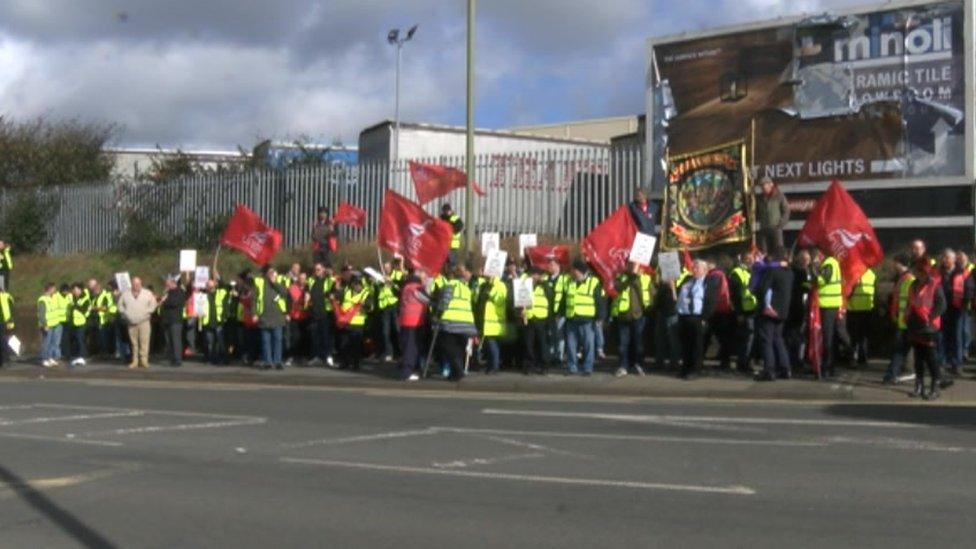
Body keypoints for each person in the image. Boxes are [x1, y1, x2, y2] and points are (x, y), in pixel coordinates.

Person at [906, 259, 946, 400]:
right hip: (915, 325)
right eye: (917, 271)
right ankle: (919, 385)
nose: (917, 274)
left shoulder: (934, 284)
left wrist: (930, 316)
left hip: (929, 327)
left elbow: (941, 305)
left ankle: (935, 386)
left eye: (920, 271)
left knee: (931, 358)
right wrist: (907, 315)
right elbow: (910, 302)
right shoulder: (913, 285)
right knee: (918, 358)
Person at [432, 264, 478, 381]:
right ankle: (455, 374)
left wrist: (437, 316)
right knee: (458, 349)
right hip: (466, 323)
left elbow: (444, 303)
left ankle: (458, 370)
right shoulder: (466, 288)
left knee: (448, 348)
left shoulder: (449, 286)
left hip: (451, 322)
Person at [754, 251, 794, 381]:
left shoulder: (772, 272)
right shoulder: (789, 273)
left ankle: (769, 370)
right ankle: (785, 368)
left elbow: (762, 288)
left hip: (769, 310)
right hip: (783, 311)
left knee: (767, 340)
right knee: (778, 339)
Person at [676, 260, 712, 379]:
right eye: (694, 267)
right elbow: (681, 297)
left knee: (696, 345)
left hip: (697, 317)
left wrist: (704, 318)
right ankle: (686, 368)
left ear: (705, 270)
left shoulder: (707, 283)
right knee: (686, 344)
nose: (694, 270)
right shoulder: (687, 281)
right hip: (684, 316)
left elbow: (710, 302)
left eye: (697, 268)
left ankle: (695, 370)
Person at [612, 262, 648, 377]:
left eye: (634, 265)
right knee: (623, 344)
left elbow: (649, 293)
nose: (632, 267)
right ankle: (623, 366)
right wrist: (630, 278)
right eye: (630, 265)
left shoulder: (643, 278)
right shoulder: (620, 277)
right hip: (623, 315)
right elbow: (618, 288)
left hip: (638, 315)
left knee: (638, 343)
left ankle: (639, 364)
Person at [565, 261, 601, 376]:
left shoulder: (594, 282)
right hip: (572, 318)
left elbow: (599, 301)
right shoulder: (570, 282)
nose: (572, 272)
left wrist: (600, 317)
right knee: (571, 345)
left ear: (580, 271)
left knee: (588, 345)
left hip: (587, 319)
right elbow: (565, 299)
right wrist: (560, 312)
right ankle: (572, 367)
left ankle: (587, 367)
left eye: (574, 270)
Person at [883, 254, 915, 384]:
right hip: (903, 320)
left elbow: (910, 301)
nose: (893, 266)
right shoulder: (903, 278)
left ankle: (891, 375)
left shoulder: (908, 279)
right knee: (901, 350)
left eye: (895, 263)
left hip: (906, 321)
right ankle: (894, 374)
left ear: (900, 263)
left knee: (900, 350)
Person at [938, 248, 970, 375]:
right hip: (941, 309)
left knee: (957, 337)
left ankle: (957, 364)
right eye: (943, 257)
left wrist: (965, 303)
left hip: (957, 309)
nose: (945, 260)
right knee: (941, 337)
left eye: (947, 257)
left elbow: (969, 289)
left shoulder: (962, 273)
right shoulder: (937, 272)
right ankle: (941, 362)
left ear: (954, 259)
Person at [812, 249, 842, 378]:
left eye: (817, 255)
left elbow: (822, 280)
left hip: (828, 304)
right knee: (831, 336)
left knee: (828, 337)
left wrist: (814, 270)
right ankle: (830, 367)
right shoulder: (833, 263)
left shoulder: (829, 263)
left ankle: (827, 367)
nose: (816, 257)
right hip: (832, 303)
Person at [397, 268, 430, 381]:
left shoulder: (406, 287)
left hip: (405, 320)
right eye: (424, 275)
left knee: (407, 346)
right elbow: (427, 299)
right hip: (414, 321)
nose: (425, 277)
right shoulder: (417, 288)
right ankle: (407, 372)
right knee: (412, 347)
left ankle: (409, 368)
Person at [117, 277, 157, 369]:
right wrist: (125, 313)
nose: (136, 286)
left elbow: (153, 304)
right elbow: (120, 305)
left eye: (138, 284)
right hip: (131, 322)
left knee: (144, 342)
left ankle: (144, 360)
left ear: (141, 284)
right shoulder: (125, 294)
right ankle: (135, 361)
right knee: (133, 343)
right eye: (134, 284)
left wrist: (147, 312)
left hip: (144, 322)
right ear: (132, 284)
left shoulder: (147, 293)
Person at [254, 265, 288, 370]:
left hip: (277, 316)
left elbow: (285, 293)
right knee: (265, 340)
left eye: (273, 271)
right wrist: (254, 313)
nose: (272, 274)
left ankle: (277, 361)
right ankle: (268, 361)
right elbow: (254, 299)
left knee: (278, 339)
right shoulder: (259, 283)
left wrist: (275, 283)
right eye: (270, 272)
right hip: (264, 315)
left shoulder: (281, 281)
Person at [521, 266, 554, 375]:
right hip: (529, 317)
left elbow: (550, 298)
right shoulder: (525, 285)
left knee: (542, 344)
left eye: (536, 274)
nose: (534, 276)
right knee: (528, 344)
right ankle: (529, 366)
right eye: (532, 274)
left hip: (542, 318)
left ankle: (544, 366)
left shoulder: (545, 286)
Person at [729, 251, 758, 374]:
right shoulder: (737, 273)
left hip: (756, 310)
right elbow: (735, 295)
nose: (750, 261)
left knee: (752, 338)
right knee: (747, 339)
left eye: (752, 258)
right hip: (745, 311)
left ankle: (748, 361)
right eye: (747, 258)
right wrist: (739, 312)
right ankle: (743, 363)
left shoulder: (756, 272)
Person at [337, 274, 371, 370]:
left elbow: (370, 305)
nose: (356, 286)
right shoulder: (346, 291)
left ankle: (356, 363)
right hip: (346, 322)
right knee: (344, 343)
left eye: (358, 284)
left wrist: (365, 304)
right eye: (355, 284)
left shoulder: (365, 293)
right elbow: (337, 297)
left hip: (358, 323)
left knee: (356, 345)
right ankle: (344, 362)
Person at [477, 273, 508, 374]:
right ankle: (491, 365)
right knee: (489, 345)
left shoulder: (500, 285)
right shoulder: (485, 285)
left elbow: (499, 299)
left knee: (492, 345)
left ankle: (494, 366)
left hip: (494, 321)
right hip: (486, 320)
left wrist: (491, 290)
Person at [306, 263, 336, 367]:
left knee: (326, 336)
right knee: (315, 337)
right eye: (315, 270)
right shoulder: (310, 281)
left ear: (323, 270)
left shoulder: (328, 280)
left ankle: (328, 356)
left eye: (318, 269)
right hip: (314, 313)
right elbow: (307, 293)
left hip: (325, 313)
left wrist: (330, 274)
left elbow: (334, 288)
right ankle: (316, 357)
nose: (316, 271)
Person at [847, 267, 876, 365]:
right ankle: (863, 358)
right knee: (863, 336)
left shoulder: (854, 273)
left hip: (854, 309)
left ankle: (854, 358)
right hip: (867, 309)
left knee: (854, 336)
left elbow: (848, 291)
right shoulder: (872, 274)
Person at [200, 279, 231, 365]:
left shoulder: (221, 292)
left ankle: (224, 359)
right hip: (208, 321)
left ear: (215, 285)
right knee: (210, 343)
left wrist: (224, 317)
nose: (209, 287)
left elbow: (227, 288)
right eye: (208, 285)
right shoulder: (203, 295)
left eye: (211, 285)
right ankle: (212, 359)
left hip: (218, 321)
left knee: (221, 343)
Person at [756, 176, 789, 254]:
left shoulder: (779, 196)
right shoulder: (759, 198)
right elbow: (756, 212)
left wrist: (780, 224)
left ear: (771, 185)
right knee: (763, 252)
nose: (763, 187)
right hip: (764, 229)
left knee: (778, 252)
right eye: (761, 186)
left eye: (765, 185)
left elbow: (786, 211)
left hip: (776, 229)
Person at [159, 276, 187, 367]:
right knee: (169, 340)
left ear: (173, 283)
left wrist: (164, 301)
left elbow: (174, 303)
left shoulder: (180, 292)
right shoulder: (167, 293)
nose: (166, 285)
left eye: (168, 283)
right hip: (166, 320)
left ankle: (178, 359)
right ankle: (172, 357)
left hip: (175, 320)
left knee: (176, 340)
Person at [37, 282, 63, 368]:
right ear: (50, 289)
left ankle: (51, 358)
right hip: (48, 325)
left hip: (55, 323)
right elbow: (41, 314)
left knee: (54, 342)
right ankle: (44, 359)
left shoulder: (53, 298)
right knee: (46, 343)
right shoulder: (42, 300)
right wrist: (44, 324)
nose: (55, 290)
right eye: (54, 289)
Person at [67, 283, 91, 367]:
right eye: (74, 290)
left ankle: (82, 356)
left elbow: (85, 310)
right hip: (74, 323)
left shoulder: (85, 299)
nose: (75, 292)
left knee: (80, 340)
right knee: (76, 340)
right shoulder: (73, 298)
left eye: (76, 290)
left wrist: (76, 306)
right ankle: (77, 356)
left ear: (81, 290)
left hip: (81, 323)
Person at [0, 287, 12, 368]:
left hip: (3, 322)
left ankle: (4, 360)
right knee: (4, 341)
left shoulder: (5, 297)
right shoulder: (7, 296)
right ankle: (5, 360)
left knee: (3, 341)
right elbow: (11, 309)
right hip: (6, 322)